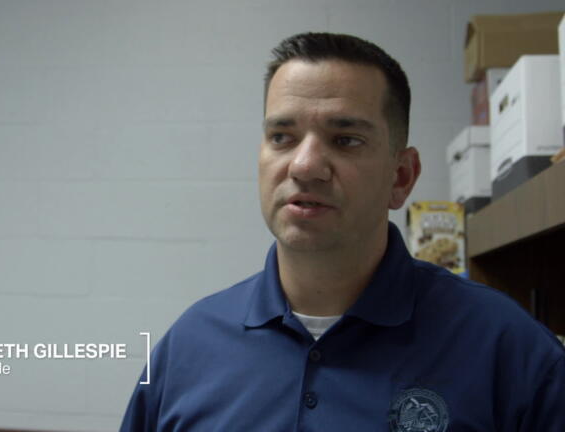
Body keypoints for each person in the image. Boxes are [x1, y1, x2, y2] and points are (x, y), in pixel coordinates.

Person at [119, 32, 565, 431]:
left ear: (401, 177)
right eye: (282, 136)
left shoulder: (511, 351)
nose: (304, 165)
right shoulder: (188, 347)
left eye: (345, 140)